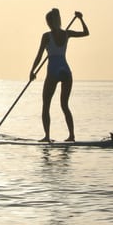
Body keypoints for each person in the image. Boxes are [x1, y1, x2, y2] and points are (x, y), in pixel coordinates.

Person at [29, 8, 89, 142]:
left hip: (53, 70)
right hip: (66, 70)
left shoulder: (46, 36)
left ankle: (47, 137)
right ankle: (72, 136)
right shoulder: (67, 33)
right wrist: (80, 19)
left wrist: (32, 71)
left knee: (46, 105)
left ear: (49, 22)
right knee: (64, 105)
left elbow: (39, 55)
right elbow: (86, 33)